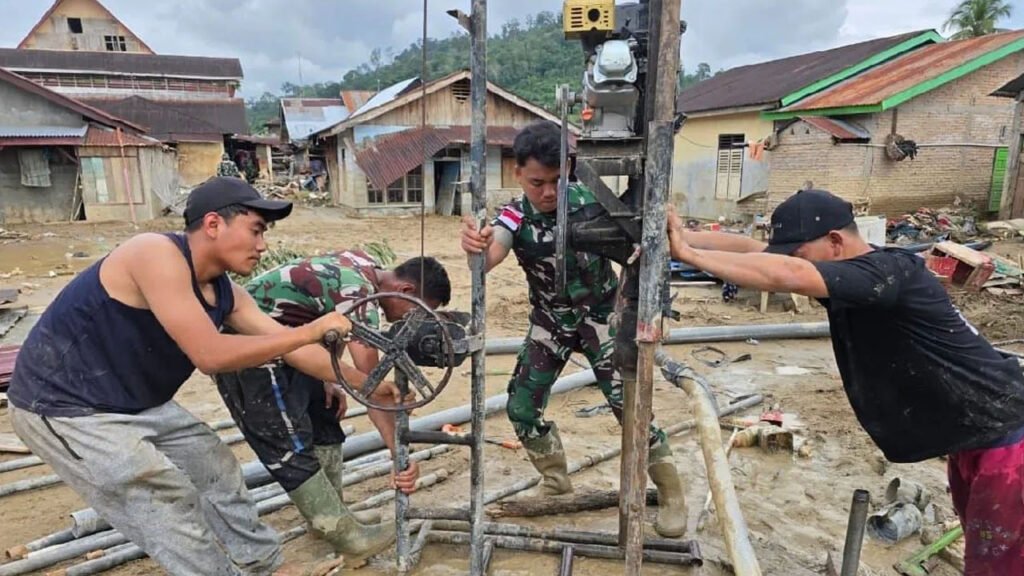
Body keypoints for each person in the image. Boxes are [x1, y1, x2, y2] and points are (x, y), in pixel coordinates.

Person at [6, 177, 399, 576]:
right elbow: (210, 354)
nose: (262, 245)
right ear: (213, 224)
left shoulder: (226, 292)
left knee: (215, 468)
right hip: (63, 406)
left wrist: (363, 382)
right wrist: (310, 330)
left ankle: (265, 565)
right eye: (256, 230)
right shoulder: (152, 253)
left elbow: (290, 347)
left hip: (138, 403)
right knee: (163, 494)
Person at [666, 189, 1024, 574]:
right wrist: (680, 238)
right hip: (975, 439)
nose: (790, 262)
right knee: (988, 554)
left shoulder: (889, 273)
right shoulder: (858, 279)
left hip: (1007, 444)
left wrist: (691, 256)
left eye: (798, 253)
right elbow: (751, 249)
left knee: (998, 566)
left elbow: (789, 274)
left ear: (835, 242)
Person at [459, 121, 687, 538]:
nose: (547, 192)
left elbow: (641, 253)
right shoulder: (512, 215)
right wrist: (475, 247)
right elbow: (490, 257)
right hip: (550, 320)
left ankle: (671, 493)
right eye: (537, 182)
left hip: (602, 318)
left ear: (570, 169)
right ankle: (556, 478)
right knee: (522, 406)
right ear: (517, 174)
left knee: (631, 408)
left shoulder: (593, 202)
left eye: (556, 180)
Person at [214, 251, 452, 559]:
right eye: (416, 311)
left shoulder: (361, 264)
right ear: (405, 290)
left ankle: (330, 515)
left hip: (292, 346)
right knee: (290, 442)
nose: (412, 320)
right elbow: (372, 389)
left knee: (325, 410)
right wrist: (399, 455)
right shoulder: (358, 293)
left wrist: (332, 378)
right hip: (248, 353)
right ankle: (346, 534)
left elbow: (328, 321)